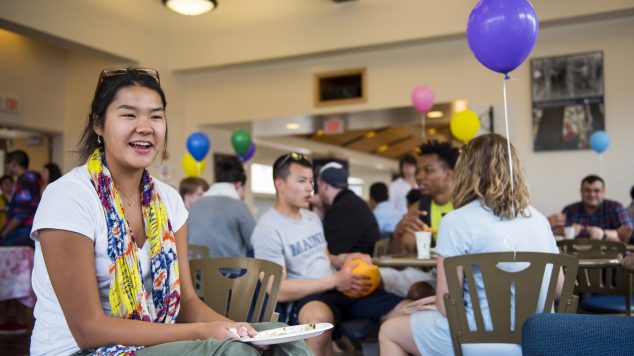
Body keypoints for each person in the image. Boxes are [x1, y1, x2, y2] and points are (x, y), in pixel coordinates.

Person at [29, 68, 311, 356]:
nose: (145, 127)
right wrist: (207, 333)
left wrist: (239, 332)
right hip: (78, 351)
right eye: (129, 115)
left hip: (154, 339)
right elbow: (89, 330)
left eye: (156, 115)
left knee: (283, 340)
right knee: (235, 353)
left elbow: (187, 302)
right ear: (98, 125)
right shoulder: (68, 197)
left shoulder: (169, 200)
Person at [379, 133, 563, 356]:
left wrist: (437, 303)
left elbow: (448, 305)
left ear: (465, 171)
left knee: (389, 331)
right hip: (540, 337)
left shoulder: (456, 221)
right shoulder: (540, 220)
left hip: (481, 339)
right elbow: (558, 289)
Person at [251, 153, 407, 356]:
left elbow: (325, 256)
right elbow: (278, 290)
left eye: (310, 181)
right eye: (301, 181)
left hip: (341, 289)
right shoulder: (268, 228)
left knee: (407, 310)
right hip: (311, 297)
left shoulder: (311, 217)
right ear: (279, 184)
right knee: (317, 326)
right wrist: (334, 280)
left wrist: (343, 259)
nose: (309, 187)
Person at [380, 141, 459, 299]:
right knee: (373, 277)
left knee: (419, 291)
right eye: (418, 171)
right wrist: (399, 231)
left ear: (449, 173)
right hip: (431, 275)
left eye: (427, 171)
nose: (419, 177)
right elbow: (397, 258)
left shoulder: (463, 205)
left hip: (462, 277)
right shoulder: (418, 207)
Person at [188, 155, 255, 257]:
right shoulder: (239, 207)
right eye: (243, 190)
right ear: (237, 185)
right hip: (231, 271)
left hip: (196, 270)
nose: (242, 195)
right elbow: (254, 243)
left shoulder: (194, 206)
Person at [317, 162, 381, 255]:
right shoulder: (351, 202)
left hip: (359, 267)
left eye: (317, 185)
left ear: (324, 186)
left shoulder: (341, 209)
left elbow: (326, 254)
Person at [547, 175, 633, 242]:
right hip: (576, 258)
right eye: (587, 190)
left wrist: (603, 234)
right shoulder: (569, 210)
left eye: (596, 191)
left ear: (603, 192)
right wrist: (561, 230)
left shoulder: (616, 208)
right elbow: (552, 234)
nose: (592, 194)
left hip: (611, 258)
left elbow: (630, 235)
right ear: (581, 191)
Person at [0, 150, 42, 247]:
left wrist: (4, 233)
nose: (6, 166)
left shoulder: (25, 182)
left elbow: (22, 213)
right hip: (28, 229)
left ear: (14, 164)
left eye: (8, 164)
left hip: (23, 230)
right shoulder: (31, 179)